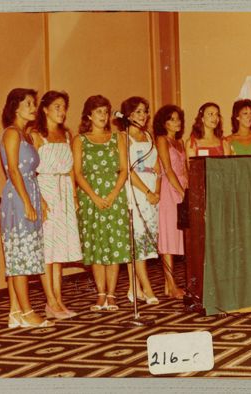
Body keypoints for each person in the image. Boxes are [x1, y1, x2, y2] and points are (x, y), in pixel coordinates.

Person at [0, 88, 54, 328]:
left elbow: (31, 173)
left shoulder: (26, 135)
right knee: (19, 255)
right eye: (28, 103)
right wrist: (27, 202)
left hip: (29, 192)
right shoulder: (11, 133)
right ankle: (27, 311)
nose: (33, 107)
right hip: (17, 198)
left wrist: (39, 199)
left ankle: (15, 312)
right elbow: (13, 170)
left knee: (22, 254)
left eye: (34, 103)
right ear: (15, 108)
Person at [72, 95, 130, 311]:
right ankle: (101, 294)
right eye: (99, 112)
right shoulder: (80, 140)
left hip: (114, 196)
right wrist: (94, 196)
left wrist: (114, 194)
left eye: (106, 112)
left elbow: (124, 169)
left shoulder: (118, 138)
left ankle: (113, 294)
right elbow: (77, 172)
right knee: (96, 246)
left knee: (114, 245)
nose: (104, 116)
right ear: (89, 114)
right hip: (91, 197)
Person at [30, 90, 83, 320]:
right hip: (46, 189)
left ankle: (59, 301)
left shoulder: (67, 134)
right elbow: (30, 170)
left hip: (63, 192)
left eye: (64, 107)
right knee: (47, 250)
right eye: (57, 107)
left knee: (59, 251)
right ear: (45, 109)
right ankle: (50, 301)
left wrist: (73, 194)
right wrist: (39, 199)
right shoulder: (35, 134)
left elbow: (71, 168)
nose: (62, 112)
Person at [116, 96, 159, 305]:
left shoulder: (149, 136)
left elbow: (157, 167)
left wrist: (156, 190)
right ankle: (147, 288)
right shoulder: (123, 138)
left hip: (152, 191)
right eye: (139, 112)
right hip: (135, 190)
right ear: (129, 115)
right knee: (137, 240)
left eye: (145, 111)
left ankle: (134, 287)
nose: (143, 116)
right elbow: (128, 170)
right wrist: (147, 191)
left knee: (143, 242)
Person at [154, 105, 188, 299]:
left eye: (178, 119)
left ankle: (171, 285)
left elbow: (184, 168)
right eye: (172, 119)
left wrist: (188, 190)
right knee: (168, 236)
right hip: (170, 189)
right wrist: (180, 191)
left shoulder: (180, 142)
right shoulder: (162, 139)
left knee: (180, 236)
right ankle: (170, 284)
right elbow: (167, 168)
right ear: (164, 122)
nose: (176, 122)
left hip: (182, 187)